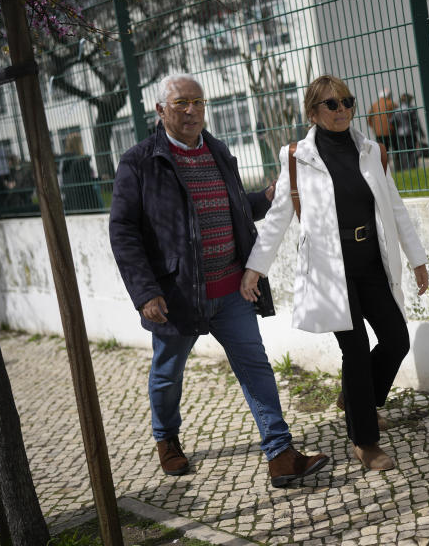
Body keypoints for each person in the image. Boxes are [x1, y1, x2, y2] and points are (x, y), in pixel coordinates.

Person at [109, 73, 328, 487]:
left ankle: (280, 453)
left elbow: (231, 209)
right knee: (168, 373)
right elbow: (123, 232)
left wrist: (265, 198)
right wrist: (145, 292)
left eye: (198, 102)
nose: (192, 111)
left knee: (255, 367)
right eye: (181, 104)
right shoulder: (139, 161)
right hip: (176, 296)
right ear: (160, 110)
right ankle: (166, 437)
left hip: (230, 290)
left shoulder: (218, 150)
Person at [241, 74, 429, 471]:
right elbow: (277, 219)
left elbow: (394, 208)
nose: (342, 109)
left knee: (396, 340)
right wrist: (255, 268)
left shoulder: (371, 151)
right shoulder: (297, 157)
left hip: (373, 263)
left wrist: (417, 258)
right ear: (313, 112)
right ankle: (365, 441)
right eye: (331, 104)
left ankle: (355, 399)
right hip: (331, 270)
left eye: (347, 101)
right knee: (356, 352)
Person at [60, 133, 103, 212]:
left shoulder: (64, 161)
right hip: (86, 202)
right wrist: (100, 179)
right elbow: (87, 181)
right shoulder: (81, 161)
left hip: (71, 203)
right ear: (79, 144)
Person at [392, 93, 420, 170]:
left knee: (403, 151)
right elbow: (415, 121)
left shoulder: (397, 110)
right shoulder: (411, 109)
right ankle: (412, 166)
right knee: (412, 150)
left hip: (400, 133)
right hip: (410, 133)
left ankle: (405, 167)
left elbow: (392, 121)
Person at [367, 88, 396, 154]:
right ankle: (398, 163)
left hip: (378, 132)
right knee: (396, 149)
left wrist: (374, 128)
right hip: (391, 130)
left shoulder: (374, 105)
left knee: (382, 151)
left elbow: (369, 119)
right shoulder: (392, 104)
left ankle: (384, 164)